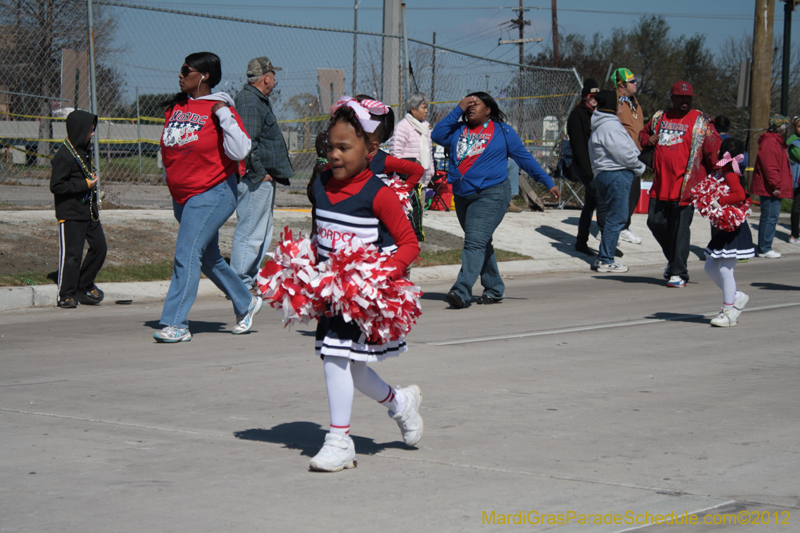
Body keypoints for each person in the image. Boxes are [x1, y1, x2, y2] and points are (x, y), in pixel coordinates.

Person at [308, 98, 423, 472]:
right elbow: (319, 234)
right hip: (331, 294)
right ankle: (401, 403)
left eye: (344, 147)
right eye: (331, 146)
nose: (334, 155)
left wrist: (379, 276)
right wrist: (308, 268)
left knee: (335, 357)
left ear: (371, 149)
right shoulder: (320, 185)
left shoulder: (378, 193)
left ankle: (339, 441)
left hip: (362, 296)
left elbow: (409, 244)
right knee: (353, 368)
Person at [155, 51, 260, 343]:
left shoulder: (220, 107)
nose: (180, 75)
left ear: (204, 75)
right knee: (209, 259)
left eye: (186, 70)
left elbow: (241, 150)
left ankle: (176, 323)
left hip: (213, 192)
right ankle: (246, 302)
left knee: (186, 252)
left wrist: (223, 113)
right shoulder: (177, 107)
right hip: (183, 195)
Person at [432, 92, 560, 309]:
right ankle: (494, 288)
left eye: (475, 104)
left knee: (474, 241)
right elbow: (437, 134)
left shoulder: (503, 131)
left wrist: (547, 182)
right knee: (481, 242)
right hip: (462, 194)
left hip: (492, 193)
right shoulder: (458, 130)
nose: (470, 107)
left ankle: (461, 290)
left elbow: (525, 159)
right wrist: (457, 109)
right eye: (467, 104)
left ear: (488, 110)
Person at [639, 80, 721, 288]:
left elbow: (714, 150)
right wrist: (648, 140)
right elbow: (643, 134)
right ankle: (674, 260)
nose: (685, 101)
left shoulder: (701, 121)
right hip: (660, 185)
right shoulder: (659, 117)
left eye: (688, 98)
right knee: (654, 222)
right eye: (680, 97)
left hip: (686, 187)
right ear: (672, 97)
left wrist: (719, 175)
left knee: (680, 230)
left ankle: (678, 272)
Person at [231, 56, 293, 292]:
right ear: (266, 77)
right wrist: (259, 173)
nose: (275, 80)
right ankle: (240, 282)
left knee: (260, 230)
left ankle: (249, 277)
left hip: (260, 178)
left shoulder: (256, 99)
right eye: (273, 75)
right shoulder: (249, 101)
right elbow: (247, 143)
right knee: (250, 230)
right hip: (254, 180)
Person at [50, 110, 107, 308]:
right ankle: (65, 294)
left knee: (100, 247)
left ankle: (84, 285)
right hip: (71, 213)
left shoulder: (83, 151)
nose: (92, 134)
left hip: (88, 211)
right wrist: (85, 184)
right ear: (79, 130)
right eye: (90, 130)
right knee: (72, 255)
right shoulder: (64, 155)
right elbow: (56, 186)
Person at [588, 90, 646, 273]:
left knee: (612, 217)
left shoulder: (600, 124)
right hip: (615, 175)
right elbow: (625, 153)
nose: (621, 105)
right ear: (611, 105)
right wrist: (640, 166)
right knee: (617, 217)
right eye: (619, 102)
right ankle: (606, 259)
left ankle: (603, 257)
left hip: (603, 174)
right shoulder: (610, 125)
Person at [703, 138, 754, 327]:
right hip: (725, 226)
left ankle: (729, 313)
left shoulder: (731, 174)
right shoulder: (721, 172)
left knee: (725, 269)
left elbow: (740, 195)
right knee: (710, 266)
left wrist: (719, 202)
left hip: (735, 227)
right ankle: (736, 296)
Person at [751, 114, 792, 258]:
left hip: (771, 186)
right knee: (770, 217)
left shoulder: (774, 141)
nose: (786, 128)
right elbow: (770, 166)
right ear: (780, 127)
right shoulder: (770, 141)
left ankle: (764, 246)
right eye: (784, 125)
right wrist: (775, 185)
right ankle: (764, 248)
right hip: (770, 188)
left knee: (770, 217)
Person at [611, 68, 645, 245]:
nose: (635, 83)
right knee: (620, 194)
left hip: (637, 155)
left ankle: (624, 226)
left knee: (633, 194)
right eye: (632, 81)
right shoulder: (615, 102)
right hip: (622, 155)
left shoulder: (635, 103)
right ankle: (612, 229)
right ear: (621, 85)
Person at [567, 78, 600, 255]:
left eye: (597, 96)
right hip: (585, 166)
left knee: (590, 203)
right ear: (585, 97)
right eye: (591, 96)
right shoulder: (577, 115)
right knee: (602, 200)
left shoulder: (597, 114)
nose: (594, 99)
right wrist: (588, 171)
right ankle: (607, 243)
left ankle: (581, 241)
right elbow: (579, 146)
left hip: (596, 165)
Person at [785, 115, 800, 245]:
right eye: (799, 126)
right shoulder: (793, 142)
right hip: (798, 180)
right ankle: (795, 235)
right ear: (794, 127)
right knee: (797, 206)